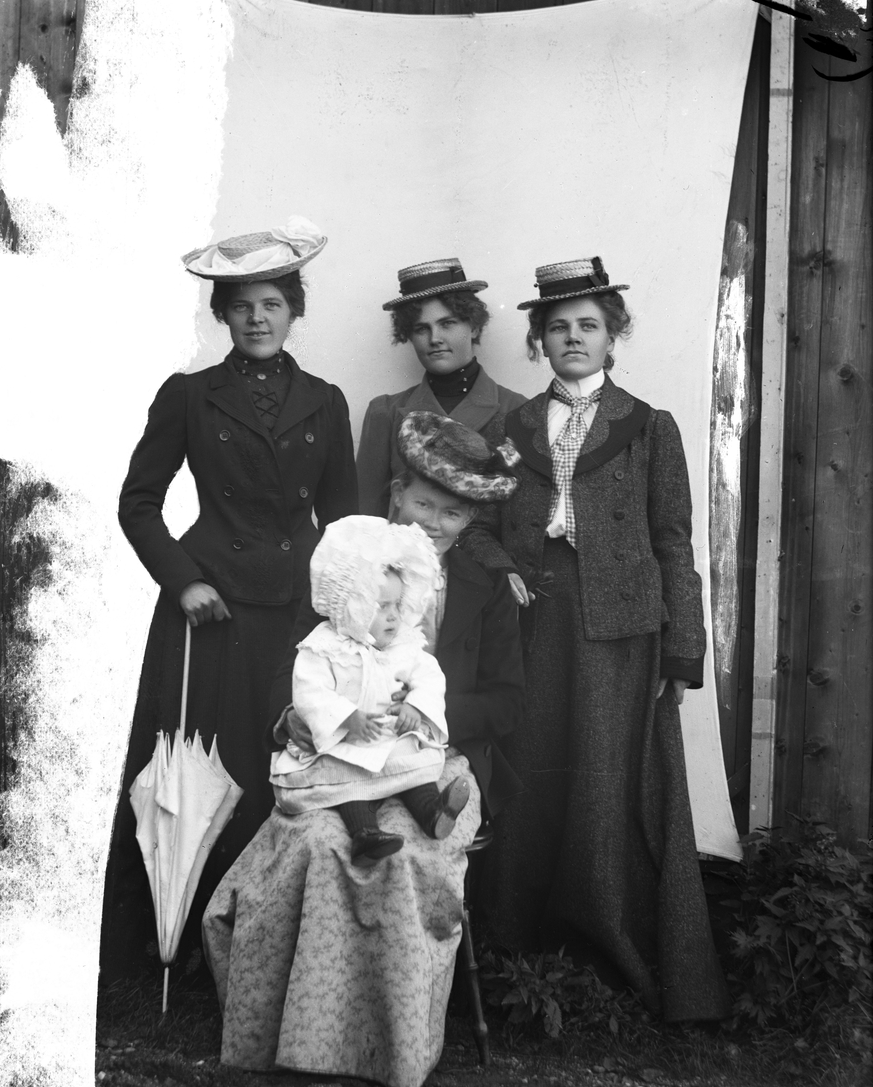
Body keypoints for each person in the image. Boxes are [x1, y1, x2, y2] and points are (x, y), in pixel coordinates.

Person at [203, 413, 524, 1087]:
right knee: (323, 843)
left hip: (437, 762)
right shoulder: (345, 568)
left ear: (471, 518)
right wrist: (295, 717)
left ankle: (391, 1046)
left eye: (454, 512)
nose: (435, 522)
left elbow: (507, 702)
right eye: (424, 503)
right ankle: (305, 1041)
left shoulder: (486, 586)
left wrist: (418, 712)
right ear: (396, 494)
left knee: (403, 855)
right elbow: (294, 667)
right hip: (340, 755)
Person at [460, 257, 730, 1023]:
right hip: (532, 624)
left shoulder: (647, 427)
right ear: (538, 341)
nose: (572, 337)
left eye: (588, 325)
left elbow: (672, 542)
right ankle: (519, 945)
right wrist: (503, 569)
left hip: (619, 630)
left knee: (608, 781)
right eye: (557, 327)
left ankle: (613, 950)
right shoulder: (510, 430)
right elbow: (476, 525)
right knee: (530, 773)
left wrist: (682, 651)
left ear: (614, 336)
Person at [100, 217, 358, 982]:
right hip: (207, 613)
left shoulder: (326, 400)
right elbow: (138, 502)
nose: (256, 318)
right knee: (198, 770)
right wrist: (183, 580)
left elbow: (344, 523)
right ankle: (175, 940)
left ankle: (269, 944)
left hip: (296, 612)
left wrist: (340, 611)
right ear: (222, 314)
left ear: (293, 310)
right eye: (241, 305)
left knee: (286, 760)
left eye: (271, 303)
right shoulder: (189, 396)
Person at [272, 515, 472, 865]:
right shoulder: (324, 647)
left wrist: (415, 705)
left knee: (413, 765)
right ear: (350, 606)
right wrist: (346, 718)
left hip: (389, 737)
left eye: (397, 604)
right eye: (382, 607)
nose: (394, 616)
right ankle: (365, 836)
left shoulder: (404, 645)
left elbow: (430, 676)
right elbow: (309, 692)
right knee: (349, 782)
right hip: (345, 742)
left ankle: (433, 814)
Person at [356, 257, 526, 518]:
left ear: (474, 326)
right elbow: (365, 517)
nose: (435, 339)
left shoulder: (517, 409)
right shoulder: (385, 412)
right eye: (421, 329)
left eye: (447, 324)